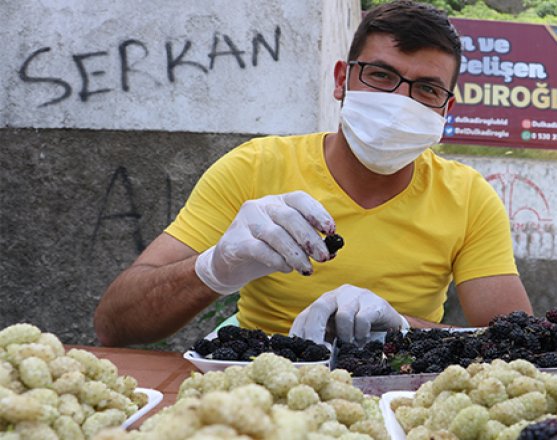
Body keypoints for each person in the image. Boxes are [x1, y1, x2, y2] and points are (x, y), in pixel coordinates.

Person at [94, 0, 532, 347]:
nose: (402, 102)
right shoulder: (256, 166)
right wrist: (213, 268)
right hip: (257, 382)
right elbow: (115, 324)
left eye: (427, 88)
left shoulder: (469, 197)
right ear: (342, 80)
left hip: (394, 387)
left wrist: (400, 326)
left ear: (446, 108)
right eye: (381, 75)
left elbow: (517, 345)